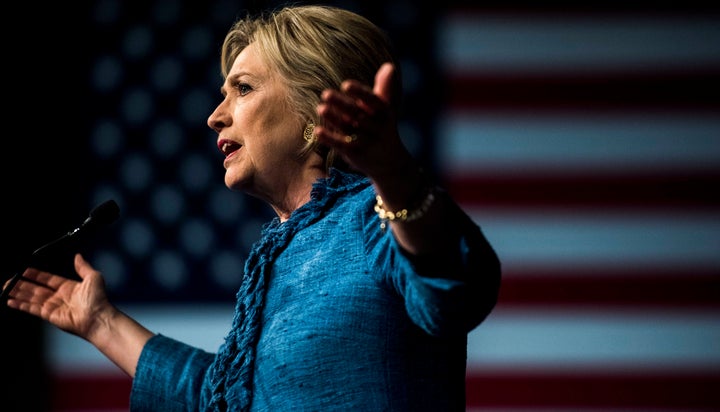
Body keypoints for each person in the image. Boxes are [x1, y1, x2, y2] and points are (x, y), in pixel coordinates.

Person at [3, 4, 501, 411]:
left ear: (313, 112)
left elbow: (456, 284)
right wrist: (101, 323)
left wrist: (394, 173)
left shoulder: (372, 218)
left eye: (242, 89)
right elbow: (228, 398)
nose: (214, 116)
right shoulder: (279, 251)